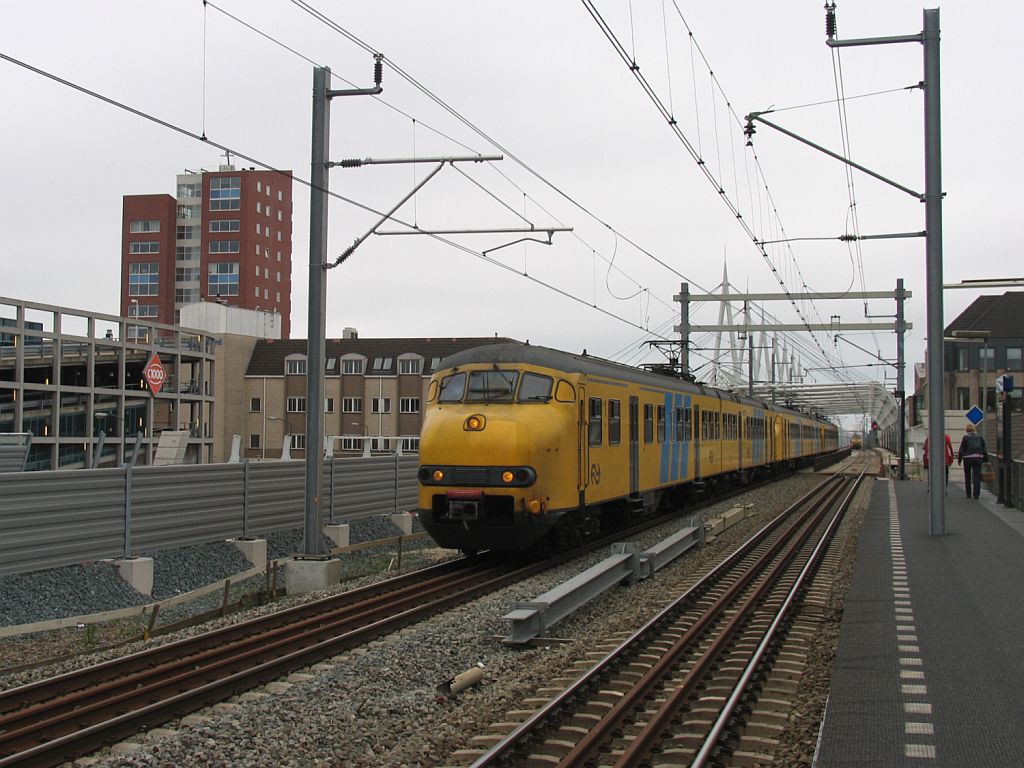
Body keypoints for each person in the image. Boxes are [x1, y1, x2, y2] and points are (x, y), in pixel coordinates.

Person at [957, 424, 989, 500]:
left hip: (967, 459)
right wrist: (986, 460)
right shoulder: (980, 437)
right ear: (974, 430)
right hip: (978, 458)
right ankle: (976, 494)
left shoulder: (965, 437)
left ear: (967, 430)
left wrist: (959, 460)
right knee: (977, 476)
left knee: (967, 476)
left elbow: (961, 449)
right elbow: (984, 449)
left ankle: (968, 494)